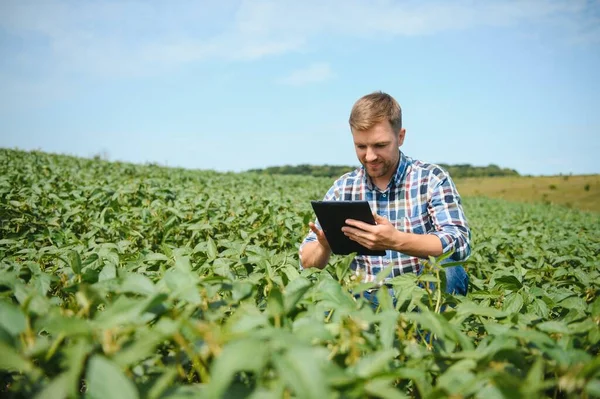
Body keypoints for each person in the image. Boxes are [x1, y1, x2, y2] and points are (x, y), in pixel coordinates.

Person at [299, 91, 470, 299]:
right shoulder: (343, 188)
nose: (370, 156)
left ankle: (430, 331)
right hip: (367, 296)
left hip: (421, 292)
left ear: (400, 137)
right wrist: (324, 246)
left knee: (450, 269)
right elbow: (306, 263)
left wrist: (396, 241)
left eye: (380, 145)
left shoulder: (430, 179)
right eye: (361, 146)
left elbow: (459, 243)